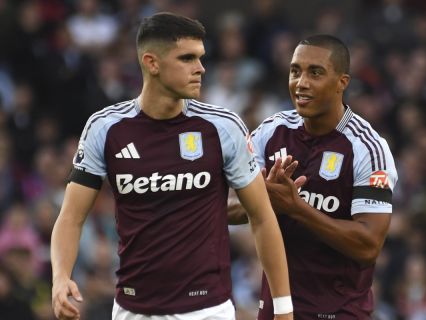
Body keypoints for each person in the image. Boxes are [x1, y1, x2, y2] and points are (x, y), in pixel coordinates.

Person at [51, 12, 293, 320]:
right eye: (187, 58)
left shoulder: (223, 127)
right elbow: (71, 217)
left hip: (209, 310)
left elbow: (261, 217)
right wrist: (60, 277)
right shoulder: (105, 128)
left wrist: (284, 309)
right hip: (133, 310)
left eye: (201, 58)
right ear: (152, 63)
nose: (201, 68)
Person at [229, 34, 398, 319]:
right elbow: (223, 206)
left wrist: (296, 208)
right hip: (277, 306)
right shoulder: (271, 132)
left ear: (342, 83)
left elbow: (368, 245)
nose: (301, 82)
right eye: (295, 71)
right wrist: (259, 199)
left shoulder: (367, 147)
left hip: (338, 310)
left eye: (315, 73)